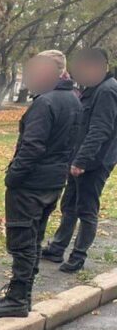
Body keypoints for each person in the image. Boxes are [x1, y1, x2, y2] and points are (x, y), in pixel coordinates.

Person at [0, 52, 80, 318]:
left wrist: (13, 176)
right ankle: (21, 294)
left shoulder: (46, 103)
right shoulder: (72, 99)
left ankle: (17, 299)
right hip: (53, 182)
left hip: (31, 185)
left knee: (23, 242)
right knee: (34, 240)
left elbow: (32, 147)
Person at [41, 47, 117, 273]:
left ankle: (78, 256)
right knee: (69, 205)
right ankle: (57, 247)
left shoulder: (107, 91)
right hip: (80, 158)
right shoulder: (93, 89)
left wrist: (81, 161)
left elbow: (100, 130)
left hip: (95, 162)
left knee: (86, 209)